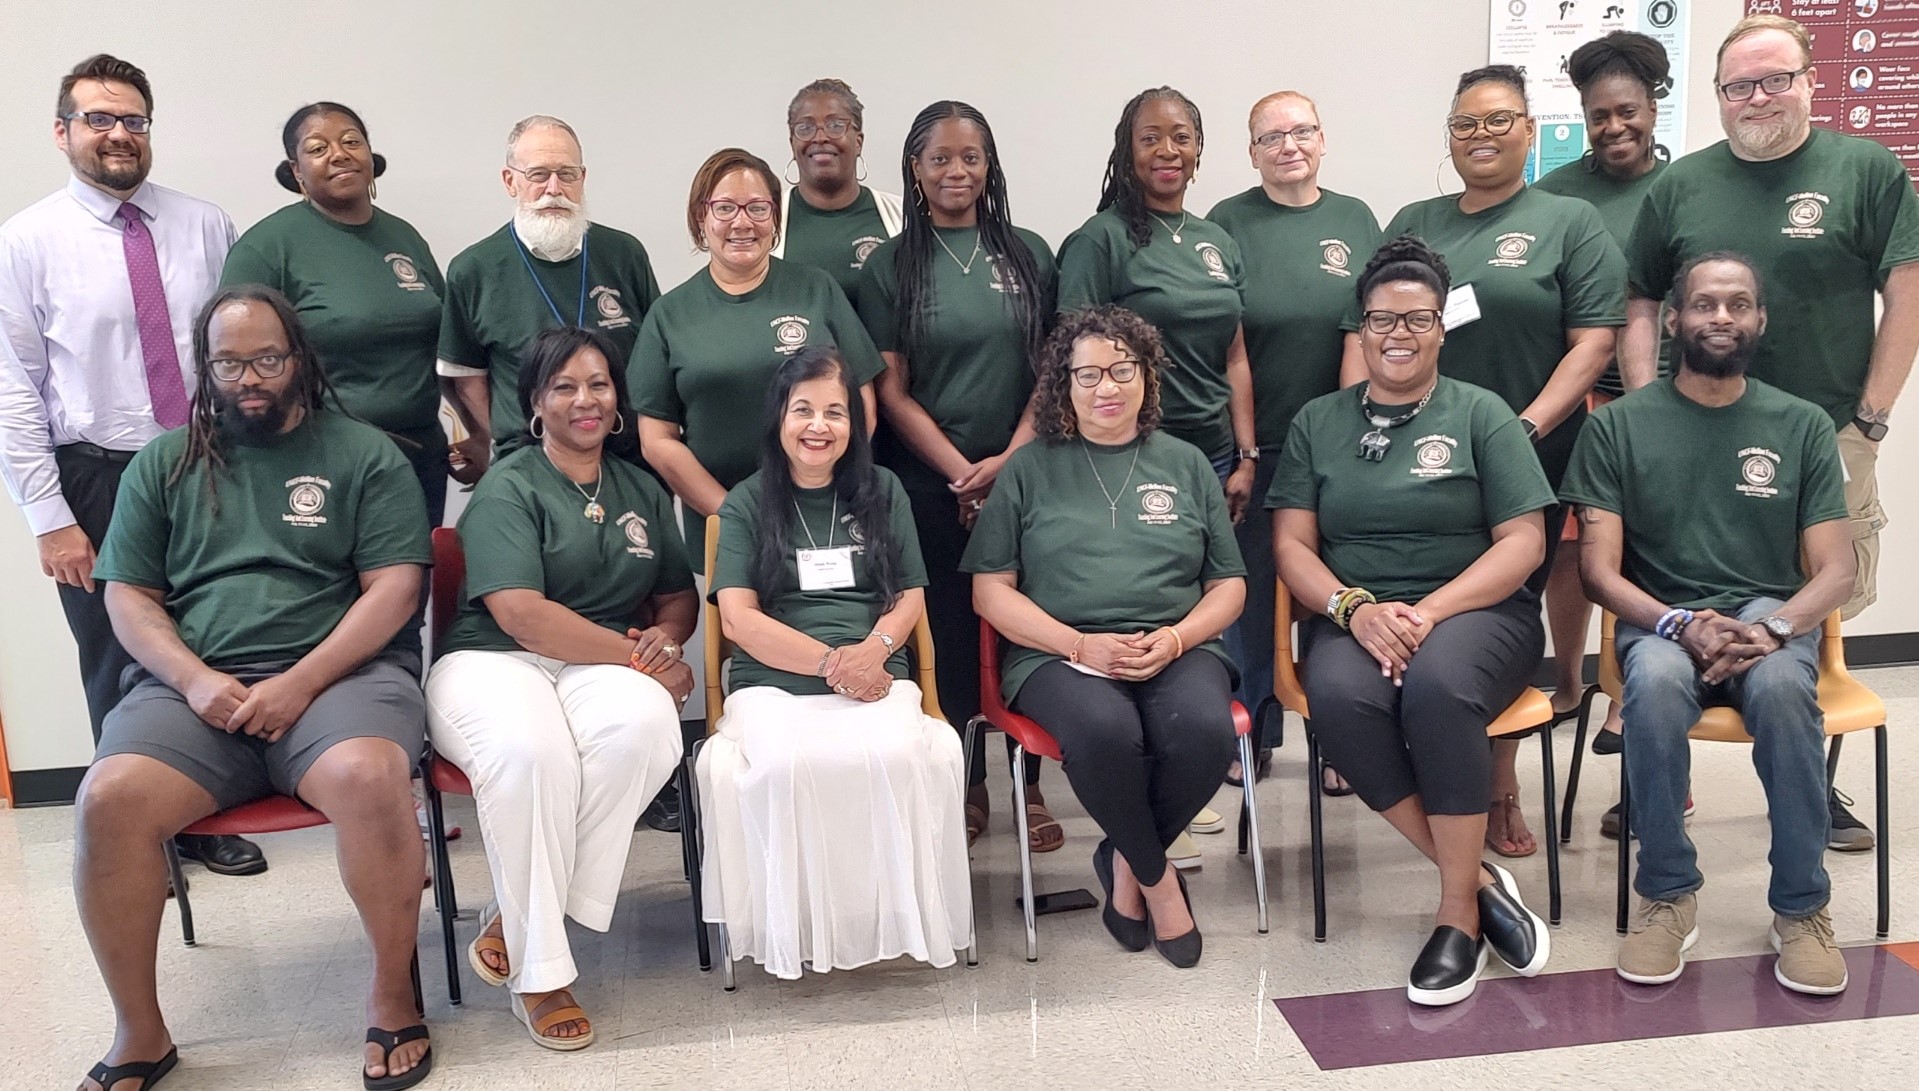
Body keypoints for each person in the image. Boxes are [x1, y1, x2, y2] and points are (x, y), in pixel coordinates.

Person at [74, 285, 435, 1090]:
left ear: (299, 359)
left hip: (340, 680)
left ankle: (389, 995)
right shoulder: (163, 463)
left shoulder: (364, 453)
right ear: (203, 368)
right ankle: (139, 1031)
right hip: (192, 695)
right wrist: (195, 680)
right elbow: (127, 596)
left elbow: (393, 590)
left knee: (372, 774)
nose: (249, 378)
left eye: (267, 358)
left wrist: (300, 683)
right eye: (229, 362)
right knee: (108, 799)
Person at [1623, 12, 1919, 853]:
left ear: (1809, 81)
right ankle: (1662, 785)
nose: (1757, 97)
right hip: (1690, 436)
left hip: (1825, 433)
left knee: (1813, 608)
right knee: (1681, 587)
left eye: (1774, 79)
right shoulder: (1679, 185)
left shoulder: (1863, 169)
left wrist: (1871, 415)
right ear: (1716, 96)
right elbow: (1642, 296)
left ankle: (1810, 789)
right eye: (1738, 85)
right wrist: (1649, 403)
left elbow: (1906, 287)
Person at [0, 53, 264, 878]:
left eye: (134, 121)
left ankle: (205, 811)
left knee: (213, 632)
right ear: (62, 131)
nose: (119, 134)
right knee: (115, 653)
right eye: (100, 119)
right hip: (96, 474)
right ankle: (138, 827)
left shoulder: (204, 224)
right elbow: (11, 385)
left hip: (205, 464)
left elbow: (240, 355)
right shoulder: (26, 240)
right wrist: (50, 518)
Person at [1272, 236, 1555, 1005]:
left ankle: (1456, 913)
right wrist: (1353, 608)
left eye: (1416, 320)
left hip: (1478, 609)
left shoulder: (1482, 414)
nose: (1397, 335)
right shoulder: (1316, 421)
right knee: (1340, 699)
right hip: (1353, 613)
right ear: (1359, 328)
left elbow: (1525, 541)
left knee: (1435, 689)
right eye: (1380, 321)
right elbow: (1291, 544)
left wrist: (1425, 612)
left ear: (1440, 327)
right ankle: (1472, 873)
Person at [1563, 252, 1855, 995]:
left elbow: (1835, 568)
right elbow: (1597, 570)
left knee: (1787, 695)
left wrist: (1775, 631)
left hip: (1767, 615)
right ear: (1671, 320)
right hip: (1660, 617)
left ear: (1759, 319)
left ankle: (1800, 907)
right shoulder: (1616, 428)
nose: (1719, 317)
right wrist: (1676, 623)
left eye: (1736, 304)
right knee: (1653, 691)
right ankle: (1665, 893)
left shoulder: (1802, 425)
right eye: (1702, 304)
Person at [1356, 64, 1626, 859]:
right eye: (1466, 124)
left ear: (1531, 131)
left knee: (1504, 616)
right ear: (1448, 137)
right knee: (1427, 612)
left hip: (1524, 458)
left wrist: (1523, 428)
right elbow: (1372, 330)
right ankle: (1427, 770)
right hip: (1412, 464)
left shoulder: (1568, 219)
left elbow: (1594, 342)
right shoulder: (1415, 218)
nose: (1481, 136)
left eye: (1499, 121)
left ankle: (1498, 784)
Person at [426, 326, 694, 1050]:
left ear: (617, 403)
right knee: (529, 752)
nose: (585, 399)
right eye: (565, 386)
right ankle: (540, 973)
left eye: (599, 384)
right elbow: (524, 617)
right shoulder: (508, 485)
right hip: (493, 658)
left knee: (646, 728)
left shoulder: (639, 485)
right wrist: (644, 659)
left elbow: (676, 594)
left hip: (598, 664)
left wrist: (666, 637)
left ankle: (517, 924)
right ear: (535, 405)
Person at [963, 305, 1245, 968]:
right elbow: (989, 591)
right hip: (1056, 654)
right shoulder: (1029, 467)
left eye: (1122, 369)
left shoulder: (1185, 463)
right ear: (1062, 386)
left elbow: (1228, 586)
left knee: (1203, 730)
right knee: (1104, 733)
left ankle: (1123, 856)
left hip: (1178, 645)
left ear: (1148, 376)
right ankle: (1159, 884)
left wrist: (1176, 640)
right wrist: (1077, 645)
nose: (1106, 387)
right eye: (1086, 374)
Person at [700, 347, 971, 980]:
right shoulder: (745, 503)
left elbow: (910, 593)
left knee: (901, 757)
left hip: (876, 675)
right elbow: (737, 618)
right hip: (773, 687)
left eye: (835, 412)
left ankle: (885, 919)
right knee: (782, 766)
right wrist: (832, 665)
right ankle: (792, 926)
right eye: (803, 411)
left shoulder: (884, 490)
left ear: (854, 423)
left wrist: (873, 653)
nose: (819, 426)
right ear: (778, 420)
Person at [854, 100, 1063, 852]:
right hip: (925, 483)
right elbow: (889, 389)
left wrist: (1006, 463)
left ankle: (1029, 785)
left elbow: (1052, 371)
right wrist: (959, 474)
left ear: (988, 165)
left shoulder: (1029, 252)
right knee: (944, 629)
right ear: (914, 169)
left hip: (1027, 474)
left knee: (1023, 632)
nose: (955, 171)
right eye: (939, 158)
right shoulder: (890, 265)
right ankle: (967, 779)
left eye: (970, 156)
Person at [1208, 90, 1382, 790]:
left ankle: (1337, 734)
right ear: (1250, 152)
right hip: (1252, 442)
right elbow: (1226, 340)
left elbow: (1363, 332)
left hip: (1337, 442)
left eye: (1301, 130)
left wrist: (1346, 434)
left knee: (1329, 592)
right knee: (1249, 595)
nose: (1288, 145)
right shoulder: (1225, 222)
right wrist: (1245, 449)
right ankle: (1250, 726)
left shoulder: (1354, 218)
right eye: (1270, 136)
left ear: (1322, 139)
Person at [1533, 30, 1674, 822]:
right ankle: (1567, 677)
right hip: (1579, 395)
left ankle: (1624, 697)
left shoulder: (1683, 186)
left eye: (1625, 112)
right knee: (1568, 549)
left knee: (1640, 554)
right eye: (1596, 117)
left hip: (1660, 402)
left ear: (1653, 107)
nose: (1612, 128)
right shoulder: (1557, 193)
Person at [631, 148, 885, 561]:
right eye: (725, 208)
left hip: (827, 512)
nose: (742, 222)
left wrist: (817, 493)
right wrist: (734, 513)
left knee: (837, 621)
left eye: (757, 207)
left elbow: (863, 403)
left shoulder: (816, 289)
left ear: (775, 219)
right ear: (701, 217)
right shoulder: (669, 314)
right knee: (739, 624)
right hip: (724, 520)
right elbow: (657, 441)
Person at [220, 102, 449, 526]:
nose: (339, 154)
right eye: (318, 148)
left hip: (420, 456)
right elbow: (234, 366)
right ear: (296, 171)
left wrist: (473, 430)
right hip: (321, 459)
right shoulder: (267, 248)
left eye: (350, 142)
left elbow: (448, 342)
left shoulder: (404, 237)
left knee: (411, 584)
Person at [437, 116, 661, 481]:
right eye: (539, 175)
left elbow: (655, 358)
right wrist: (506, 426)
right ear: (511, 181)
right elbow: (466, 377)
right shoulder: (473, 270)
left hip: (627, 461)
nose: (554, 188)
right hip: (528, 464)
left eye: (567, 174)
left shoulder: (624, 253)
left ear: (583, 179)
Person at [775, 78, 904, 304]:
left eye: (835, 126)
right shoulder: (768, 222)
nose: (820, 137)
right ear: (792, 143)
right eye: (805, 128)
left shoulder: (903, 215)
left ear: (859, 141)